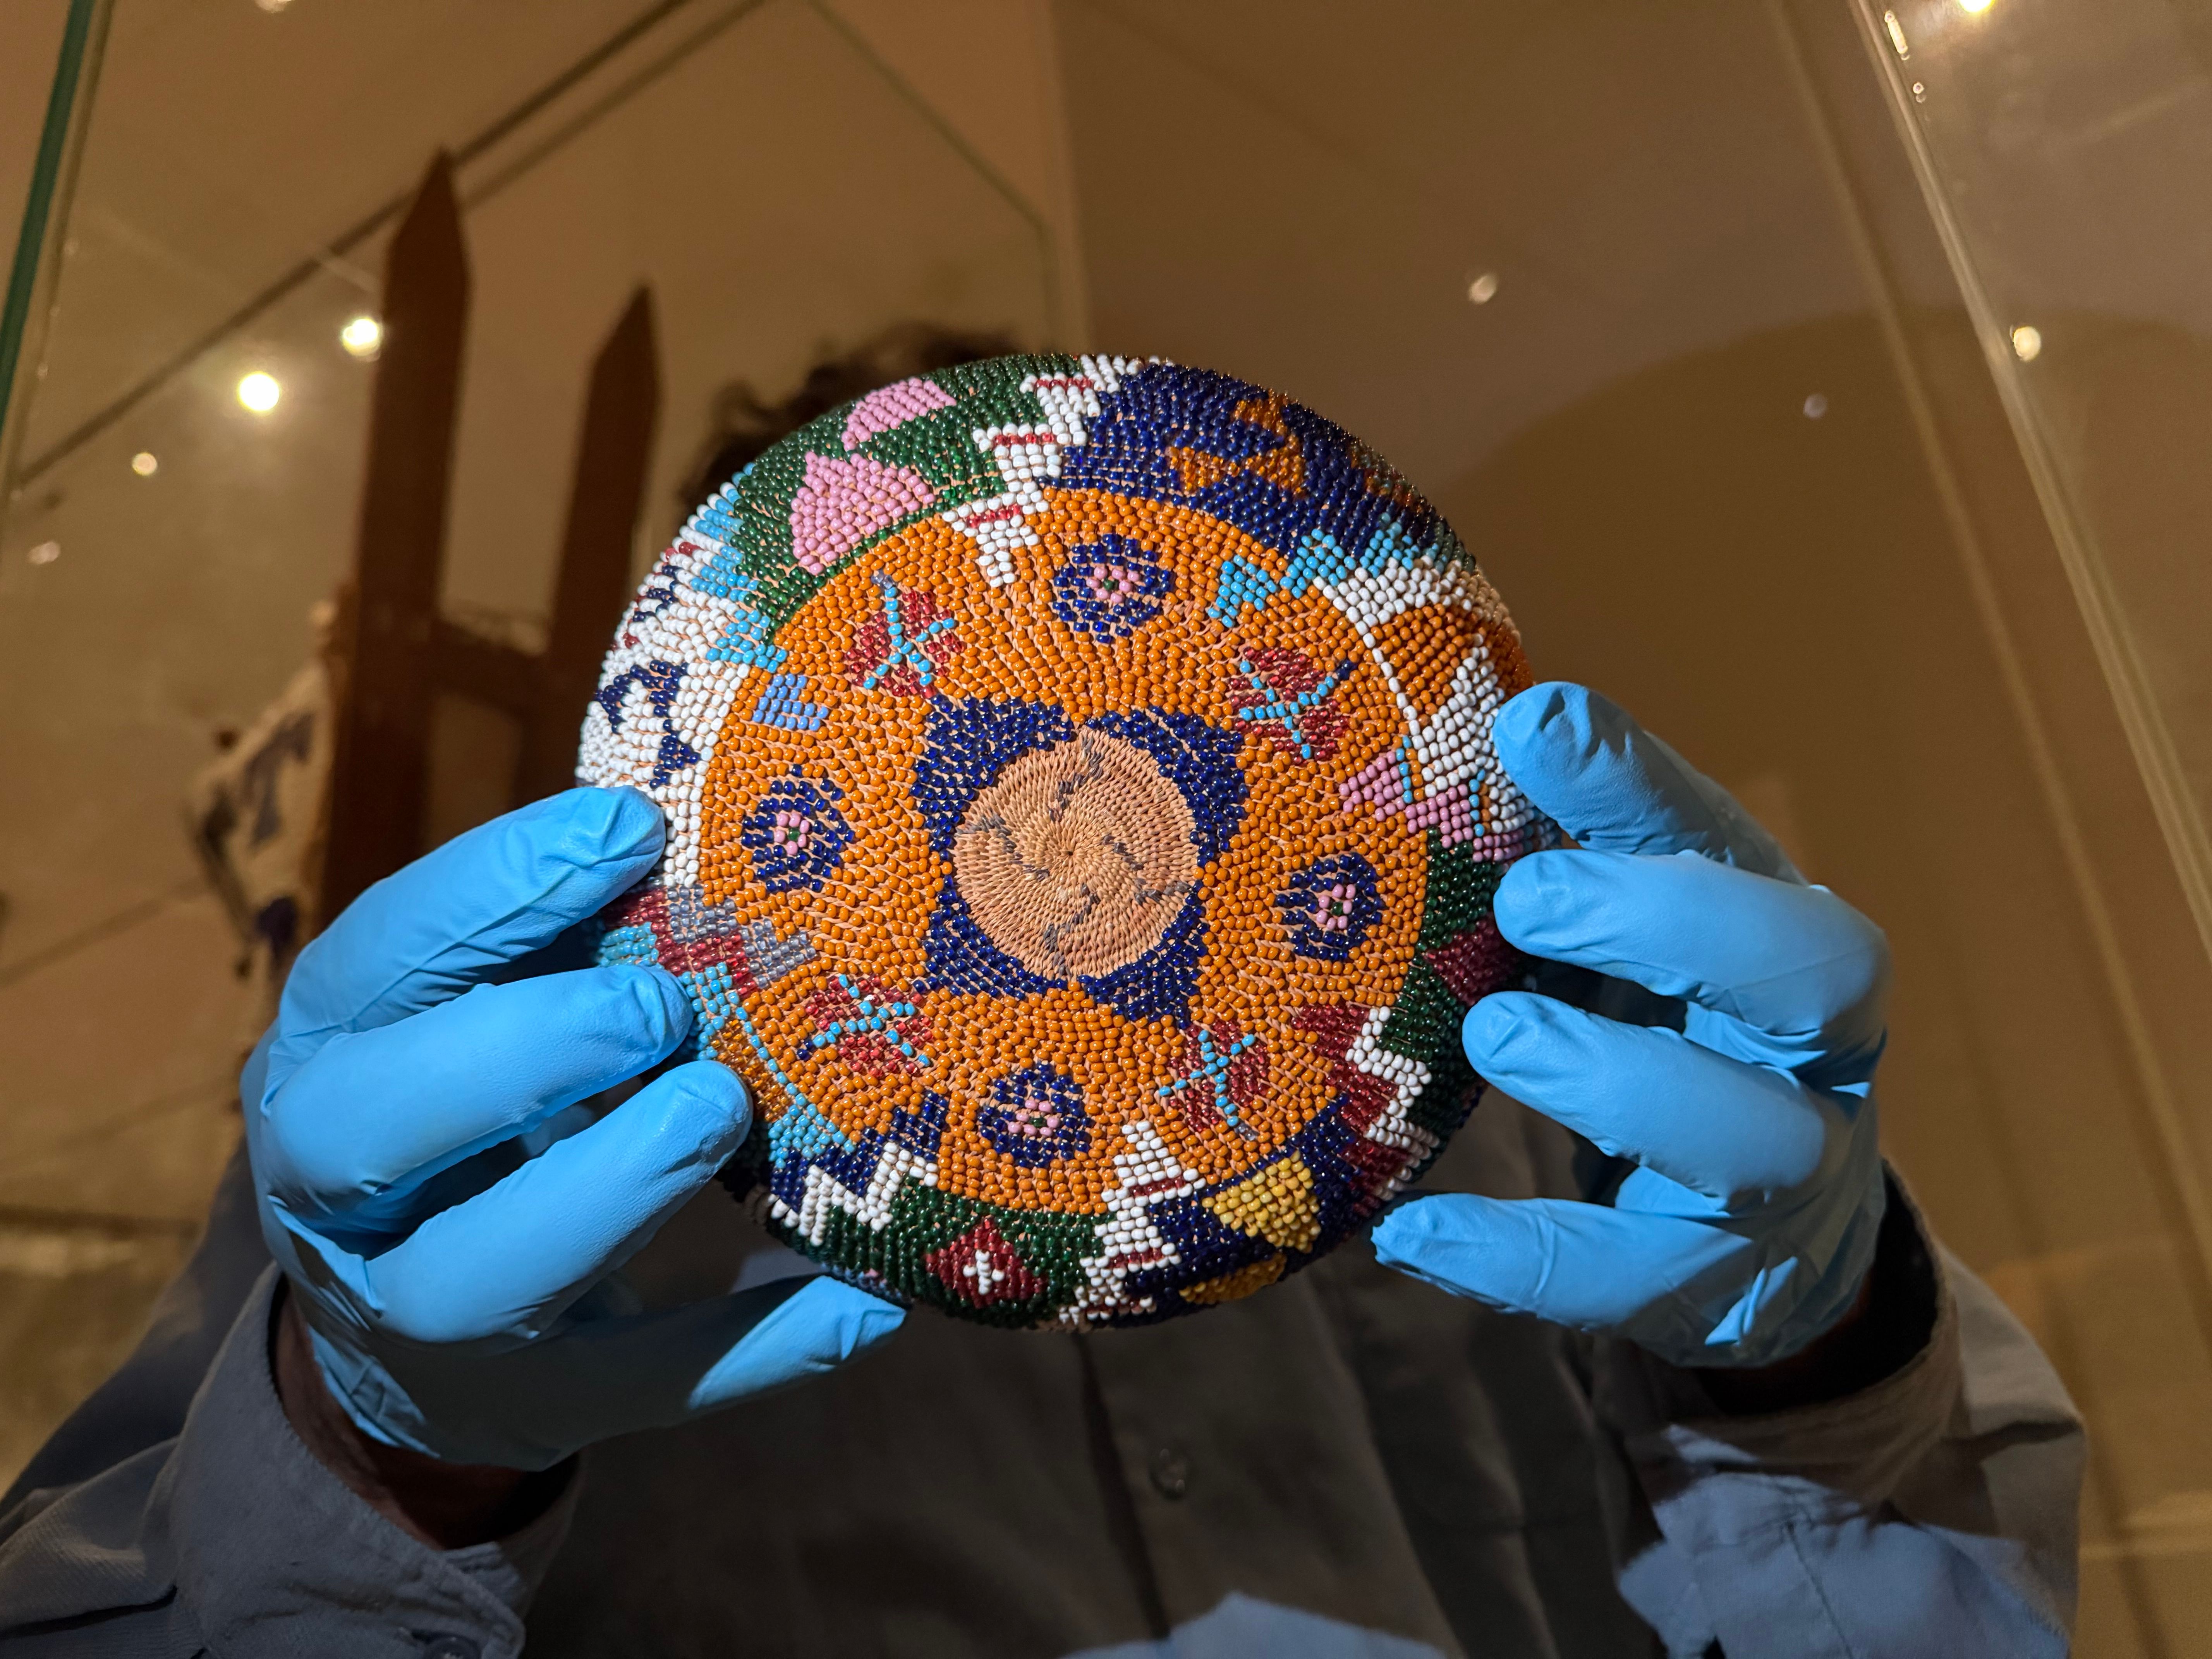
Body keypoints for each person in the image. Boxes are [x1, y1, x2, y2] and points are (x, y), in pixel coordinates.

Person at [0, 675, 2082, 1657]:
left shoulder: (1503, 1077)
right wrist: (371, 1466)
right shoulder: (485, 1154)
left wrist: (1824, 1358)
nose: (1045, 789)